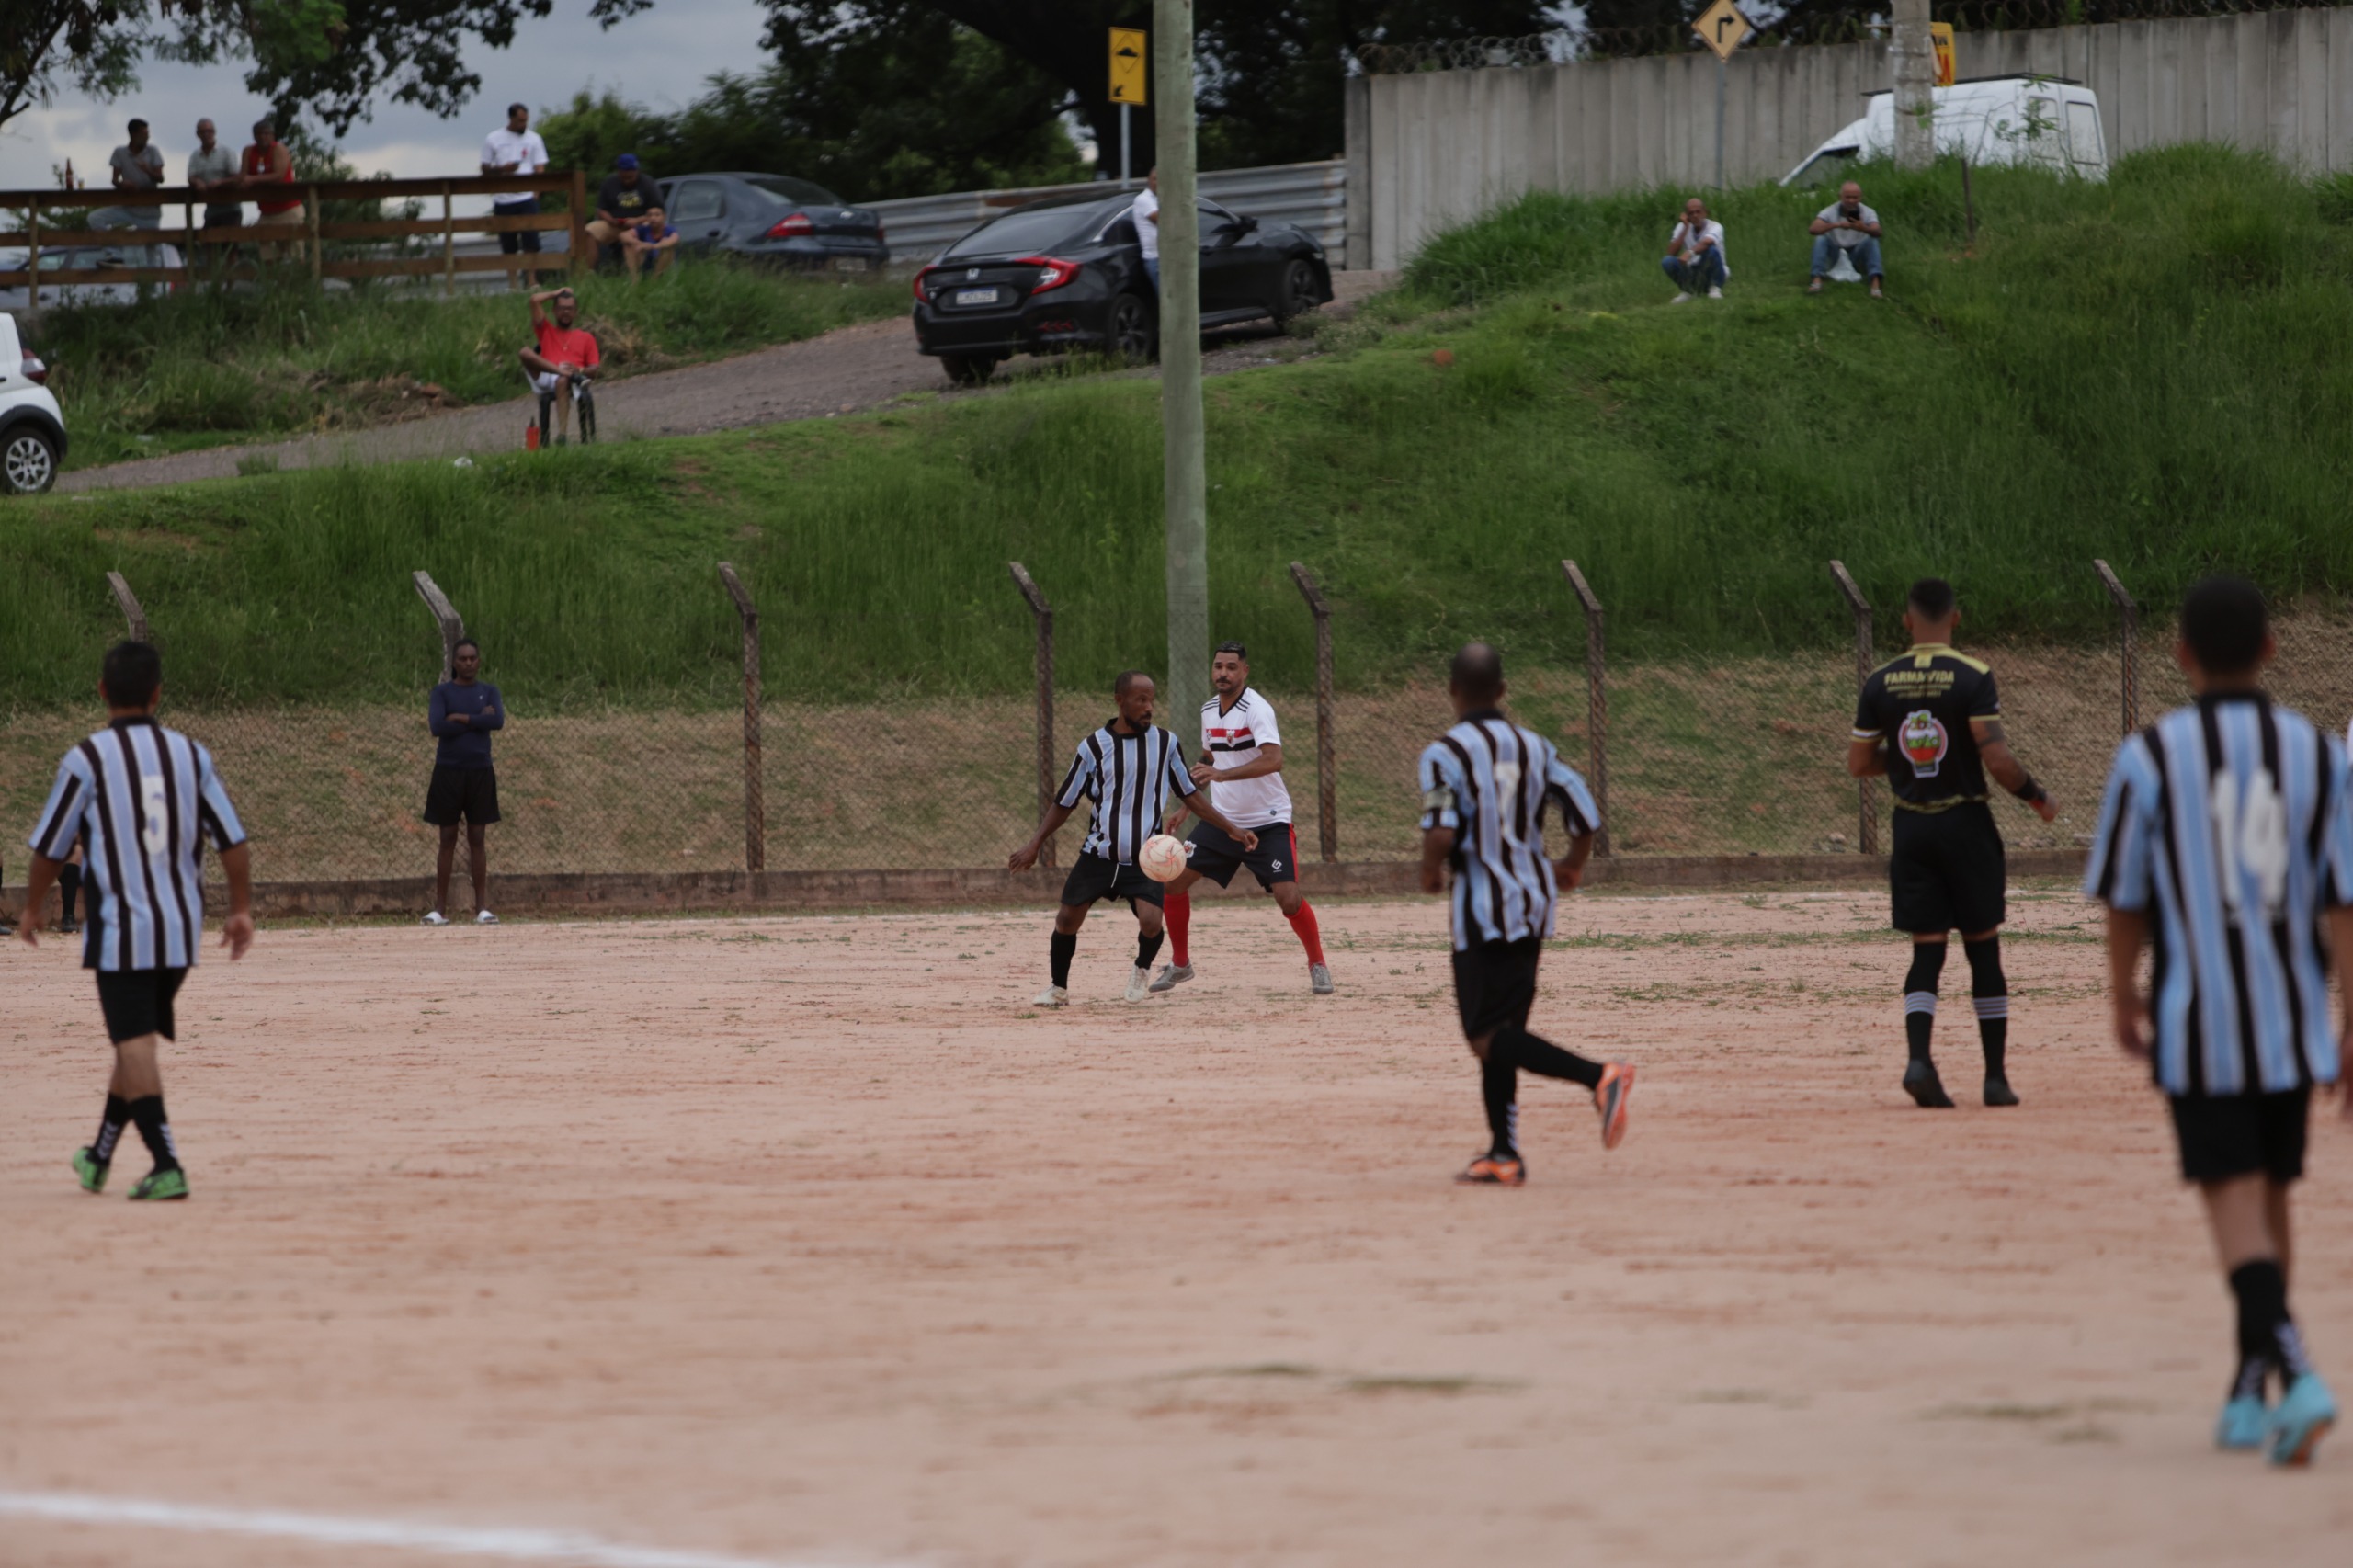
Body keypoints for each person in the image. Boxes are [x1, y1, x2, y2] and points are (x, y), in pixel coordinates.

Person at [2085, 575, 2347, 1467]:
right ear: (2271, 649)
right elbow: (2343, 899)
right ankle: (2250, 1385)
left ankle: (2299, 1373)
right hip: (2293, 1012)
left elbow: (2124, 894)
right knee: (2270, 1193)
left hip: (2200, 1015)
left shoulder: (2150, 755)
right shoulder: (2317, 752)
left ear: (2180, 654)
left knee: (2230, 1194)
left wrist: (2122, 990)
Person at [18, 640, 255, 1203]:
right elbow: (232, 839)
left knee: (133, 1044)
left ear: (101, 692)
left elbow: (51, 849)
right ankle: (98, 1155)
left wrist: (32, 905)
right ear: (157, 695)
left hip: (120, 929)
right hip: (180, 929)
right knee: (135, 1043)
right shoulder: (190, 755)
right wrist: (241, 907)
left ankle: (166, 1162)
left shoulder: (87, 759)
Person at [1420, 643, 1632, 1186]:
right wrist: (1571, 866)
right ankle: (1504, 1153)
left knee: (1484, 1035)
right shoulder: (1536, 747)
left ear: (1452, 692)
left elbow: (1441, 830)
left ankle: (1599, 1076)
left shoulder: (1445, 753)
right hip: (1535, 900)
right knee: (1506, 1030)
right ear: (1502, 691)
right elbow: (1584, 816)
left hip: (1480, 907)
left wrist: (1427, 870)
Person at [1846, 578, 2058, 1109]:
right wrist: (2036, 798)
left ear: (1906, 621)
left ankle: (1920, 1060)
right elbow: (1998, 759)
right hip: (1965, 824)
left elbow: (1857, 764)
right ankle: (1994, 1079)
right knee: (1983, 949)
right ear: (1956, 619)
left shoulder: (1880, 681)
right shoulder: (1972, 676)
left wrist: (1904, 764)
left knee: (1927, 951)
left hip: (1912, 827)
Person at [1008, 670, 1263, 1007]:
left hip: (1146, 856)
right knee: (1067, 920)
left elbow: (1190, 795)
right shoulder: (1093, 746)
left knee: (1151, 921)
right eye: (1140, 700)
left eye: (1152, 700)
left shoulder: (1166, 743)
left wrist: (1230, 827)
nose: (1148, 707)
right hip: (1099, 854)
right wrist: (1034, 844)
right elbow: (1064, 802)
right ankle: (1058, 988)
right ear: (1120, 701)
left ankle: (1141, 970)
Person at [1149, 641, 1332, 996]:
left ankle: (1317, 964)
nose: (1223, 673)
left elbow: (1274, 759)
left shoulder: (1256, 709)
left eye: (1231, 667)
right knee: (1172, 882)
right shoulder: (1208, 710)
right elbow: (1209, 762)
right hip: (1222, 822)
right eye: (1218, 666)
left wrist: (1225, 777)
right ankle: (1181, 964)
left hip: (1269, 821)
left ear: (1244, 671)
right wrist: (1189, 806)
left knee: (1288, 898)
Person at [422, 638, 505, 926]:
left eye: (473, 658)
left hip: (480, 771)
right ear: (454, 663)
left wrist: (461, 718)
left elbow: (498, 722)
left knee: (477, 838)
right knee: (447, 838)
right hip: (448, 771)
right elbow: (437, 726)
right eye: (463, 659)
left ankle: (481, 908)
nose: (468, 663)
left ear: (478, 661)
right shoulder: (442, 692)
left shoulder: (489, 692)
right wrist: (476, 719)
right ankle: (440, 909)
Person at [481, 103, 551, 291]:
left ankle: (532, 280)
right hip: (503, 199)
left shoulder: (534, 139)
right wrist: (503, 170)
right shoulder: (494, 138)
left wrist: (537, 191)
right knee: (508, 242)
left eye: (525, 121)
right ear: (511, 119)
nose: (523, 124)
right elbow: (485, 168)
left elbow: (539, 166)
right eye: (520, 121)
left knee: (531, 241)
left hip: (527, 197)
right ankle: (513, 283)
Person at [518, 287, 599, 446]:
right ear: (554, 311)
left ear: (576, 312)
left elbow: (594, 371)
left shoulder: (586, 337)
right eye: (561, 308)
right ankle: (563, 372)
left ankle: (562, 435)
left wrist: (579, 370)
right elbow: (534, 300)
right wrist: (556, 293)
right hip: (547, 374)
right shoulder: (547, 331)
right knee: (524, 352)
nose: (565, 312)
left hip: (573, 380)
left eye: (569, 309)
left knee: (562, 380)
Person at [239, 119, 303, 263]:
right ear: (254, 136)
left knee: (295, 253)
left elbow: (279, 176)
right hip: (266, 211)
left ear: (272, 135)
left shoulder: (279, 149)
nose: (263, 137)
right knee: (268, 254)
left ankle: (300, 283)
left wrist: (252, 180)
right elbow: (243, 175)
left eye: (266, 133)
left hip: (288, 208)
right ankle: (274, 284)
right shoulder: (249, 151)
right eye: (259, 134)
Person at [1809, 180, 1884, 299]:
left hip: (1856, 253)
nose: (1851, 201)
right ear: (1840, 197)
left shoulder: (1868, 212)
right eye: (1847, 197)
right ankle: (1817, 279)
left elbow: (1878, 231)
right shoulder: (1830, 211)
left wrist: (1864, 228)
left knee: (1872, 240)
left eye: (1855, 197)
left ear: (1860, 197)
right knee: (1821, 238)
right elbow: (1813, 229)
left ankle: (1875, 283)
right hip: (1837, 252)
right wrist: (1837, 225)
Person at [90, 119, 165, 233]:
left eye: (147, 134)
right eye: (144, 134)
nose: (147, 137)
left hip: (149, 210)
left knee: (149, 247)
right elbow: (114, 180)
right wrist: (123, 184)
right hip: (128, 206)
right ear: (133, 135)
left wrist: (147, 170)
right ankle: (112, 248)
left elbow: (160, 178)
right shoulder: (120, 152)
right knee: (95, 218)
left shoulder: (152, 151)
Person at [187, 118, 242, 267]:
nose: (206, 134)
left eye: (209, 131)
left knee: (231, 246)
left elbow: (237, 177)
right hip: (211, 207)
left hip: (230, 206)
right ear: (197, 134)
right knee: (209, 244)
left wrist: (220, 183)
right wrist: (198, 183)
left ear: (214, 132)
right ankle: (213, 282)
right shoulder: (195, 155)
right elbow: (191, 176)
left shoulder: (226, 152)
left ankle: (231, 283)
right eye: (203, 131)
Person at [586, 154, 656, 263]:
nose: (627, 181)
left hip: (640, 223)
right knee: (590, 231)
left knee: (648, 227)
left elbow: (657, 211)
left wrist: (637, 221)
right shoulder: (609, 183)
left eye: (630, 178)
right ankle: (588, 272)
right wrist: (611, 220)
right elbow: (600, 210)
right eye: (624, 178)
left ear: (636, 171)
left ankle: (642, 270)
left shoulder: (648, 183)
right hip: (615, 224)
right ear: (619, 171)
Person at [1662, 196, 1726, 303]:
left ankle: (1714, 288)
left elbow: (1707, 242)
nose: (1695, 216)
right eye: (1691, 213)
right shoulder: (1682, 227)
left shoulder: (1715, 226)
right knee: (1667, 261)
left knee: (1711, 250)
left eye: (1698, 212)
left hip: (1713, 270)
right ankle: (1688, 291)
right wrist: (1685, 228)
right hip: (1693, 271)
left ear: (1705, 213)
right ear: (1687, 216)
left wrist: (1690, 252)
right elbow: (1671, 252)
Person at [621, 205, 680, 281]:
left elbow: (674, 239)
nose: (653, 218)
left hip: (666, 265)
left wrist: (652, 246)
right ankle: (635, 280)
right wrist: (639, 243)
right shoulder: (644, 229)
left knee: (666, 246)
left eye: (657, 215)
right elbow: (623, 235)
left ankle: (656, 280)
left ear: (664, 216)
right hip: (647, 263)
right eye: (650, 215)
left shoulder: (669, 229)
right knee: (628, 245)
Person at [1130, 166, 1161, 294]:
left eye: (1161, 180)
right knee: (1166, 300)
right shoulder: (1143, 199)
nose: (1157, 183)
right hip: (1155, 259)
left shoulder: (1158, 199)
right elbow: (1161, 219)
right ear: (1149, 180)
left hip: (1167, 258)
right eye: (1155, 179)